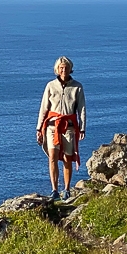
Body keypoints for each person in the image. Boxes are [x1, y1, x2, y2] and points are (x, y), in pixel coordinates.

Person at [36, 56, 86, 201]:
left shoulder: (77, 87)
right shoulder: (50, 86)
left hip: (69, 127)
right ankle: (54, 190)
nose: (63, 70)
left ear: (71, 69)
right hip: (52, 126)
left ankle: (67, 189)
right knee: (52, 157)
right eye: (61, 68)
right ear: (57, 70)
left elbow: (81, 109)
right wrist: (39, 128)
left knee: (67, 158)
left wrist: (82, 128)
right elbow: (43, 108)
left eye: (66, 68)